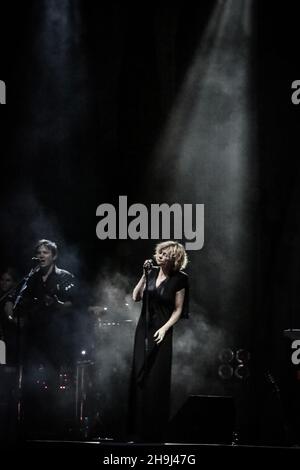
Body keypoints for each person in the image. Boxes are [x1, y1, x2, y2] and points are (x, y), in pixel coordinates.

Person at [7, 239, 76, 438]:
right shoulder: (32, 277)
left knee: (53, 380)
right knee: (30, 380)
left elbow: (73, 305)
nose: (41, 256)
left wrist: (57, 303)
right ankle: (31, 423)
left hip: (56, 337)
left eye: (45, 252)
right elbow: (21, 302)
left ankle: (54, 426)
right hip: (34, 337)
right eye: (39, 252)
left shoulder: (65, 277)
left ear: (54, 256)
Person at [128, 240, 189, 442]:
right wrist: (143, 276)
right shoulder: (151, 273)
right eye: (159, 252)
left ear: (174, 258)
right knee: (140, 375)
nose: (159, 255)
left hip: (162, 330)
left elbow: (178, 310)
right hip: (143, 329)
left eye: (165, 253)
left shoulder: (180, 279)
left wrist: (165, 328)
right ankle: (137, 428)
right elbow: (136, 297)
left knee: (157, 378)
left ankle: (154, 430)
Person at [0, 267, 18, 364]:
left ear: (14, 283)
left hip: (9, 340)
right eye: (2, 280)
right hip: (2, 339)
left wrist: (10, 317)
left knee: (4, 367)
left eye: (8, 280)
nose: (4, 283)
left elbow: (11, 318)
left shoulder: (14, 298)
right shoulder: (3, 297)